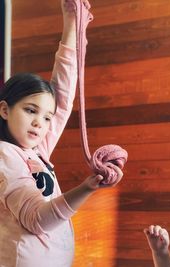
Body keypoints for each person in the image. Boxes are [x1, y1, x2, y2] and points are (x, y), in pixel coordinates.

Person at [0, 1, 123, 266]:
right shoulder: (4, 156)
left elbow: (63, 98)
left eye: (46, 117)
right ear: (5, 110)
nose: (40, 124)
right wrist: (86, 188)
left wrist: (71, 25)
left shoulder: (36, 151)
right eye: (30, 111)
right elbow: (36, 218)